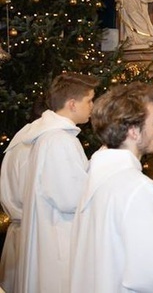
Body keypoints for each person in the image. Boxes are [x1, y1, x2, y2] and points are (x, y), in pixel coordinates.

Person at [69, 82, 153, 292]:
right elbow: (152, 274)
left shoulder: (97, 172)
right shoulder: (137, 186)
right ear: (134, 131)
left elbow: (116, 239)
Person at [0, 73, 99, 293]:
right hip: (57, 236)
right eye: (89, 100)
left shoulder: (44, 136)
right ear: (72, 104)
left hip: (43, 231)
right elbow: (71, 198)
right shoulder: (59, 140)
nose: (93, 106)